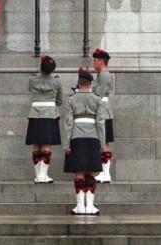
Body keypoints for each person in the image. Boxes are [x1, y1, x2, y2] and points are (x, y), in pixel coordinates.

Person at [63, 68, 107, 215]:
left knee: (79, 172)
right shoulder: (97, 99)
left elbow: (68, 123)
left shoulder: (71, 99)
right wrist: (102, 144)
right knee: (90, 172)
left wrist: (66, 144)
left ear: (78, 83)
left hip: (76, 137)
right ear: (90, 83)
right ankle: (90, 207)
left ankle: (80, 206)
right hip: (93, 137)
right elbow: (100, 123)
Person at [26, 55, 63, 184]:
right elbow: (59, 101)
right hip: (50, 115)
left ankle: (38, 176)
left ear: (41, 67)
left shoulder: (32, 80)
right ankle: (43, 175)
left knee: (36, 144)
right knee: (47, 145)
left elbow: (30, 89)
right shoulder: (57, 81)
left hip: (35, 114)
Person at [91, 48, 115, 183]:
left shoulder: (104, 75)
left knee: (104, 141)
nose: (93, 63)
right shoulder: (102, 75)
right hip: (102, 111)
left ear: (101, 61)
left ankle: (105, 174)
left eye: (95, 60)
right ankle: (104, 173)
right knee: (103, 141)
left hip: (103, 112)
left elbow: (98, 95)